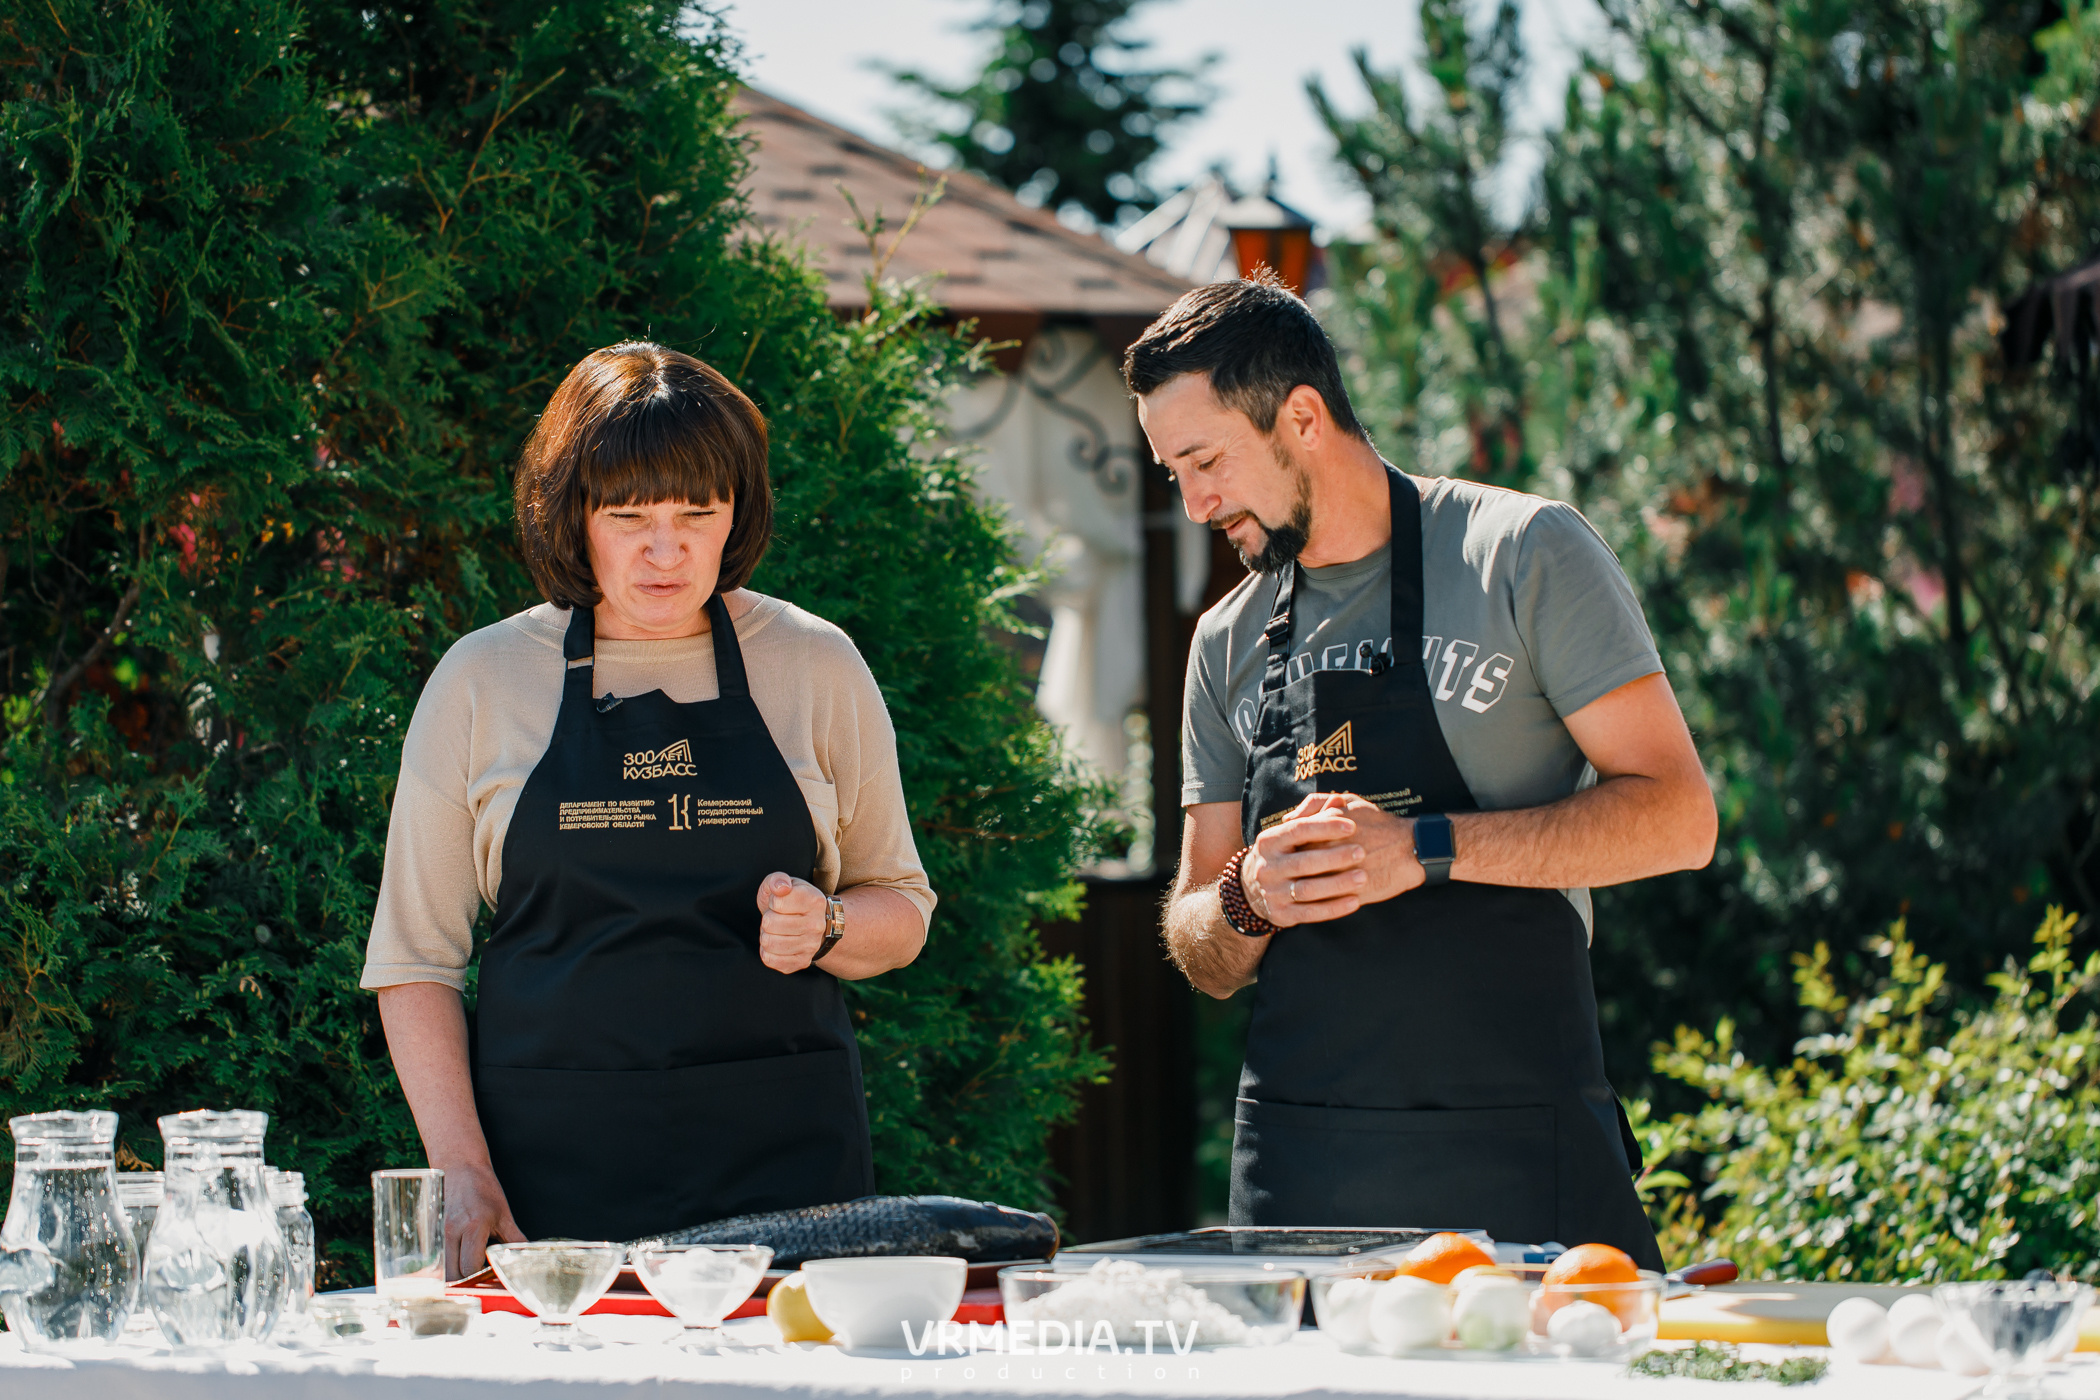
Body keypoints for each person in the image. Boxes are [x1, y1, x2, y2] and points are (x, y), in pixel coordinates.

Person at [1131, 274, 1715, 1267]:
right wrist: (1249, 894)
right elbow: (1199, 944)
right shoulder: (1226, 641)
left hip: (1523, 1155)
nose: (1193, 503)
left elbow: (1678, 818)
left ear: (1301, 417)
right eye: (1172, 471)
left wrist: (1420, 847)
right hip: (1301, 1174)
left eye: (1204, 460)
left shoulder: (1521, 553)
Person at [360, 343, 934, 1276]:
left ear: (735, 514)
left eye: (697, 516)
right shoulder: (483, 679)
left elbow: (902, 907)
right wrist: (460, 1169)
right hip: (546, 1183)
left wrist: (827, 924)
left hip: (786, 1176)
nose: (666, 551)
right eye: (629, 517)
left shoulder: (814, 663)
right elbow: (414, 959)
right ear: (573, 516)